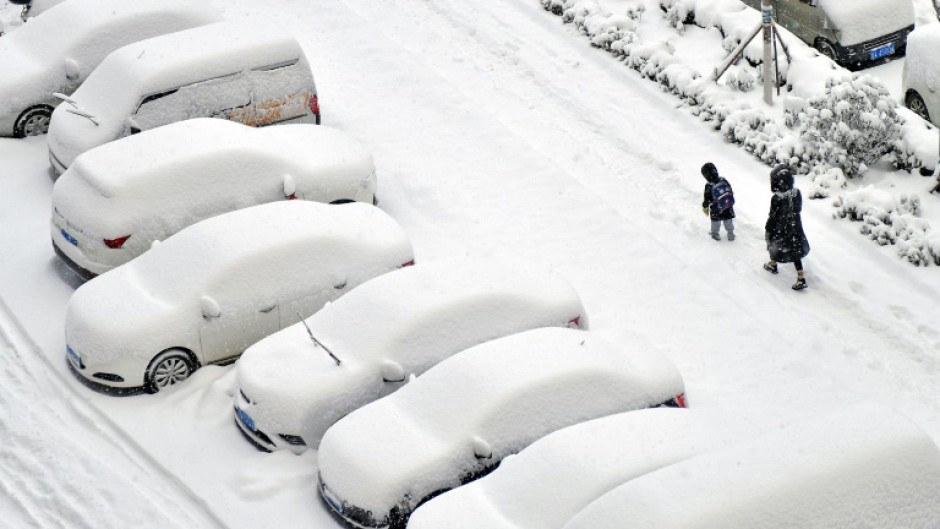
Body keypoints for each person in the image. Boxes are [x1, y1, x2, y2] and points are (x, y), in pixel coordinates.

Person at [763, 164, 810, 291]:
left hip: (780, 227)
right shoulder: (796, 192)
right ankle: (801, 278)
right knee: (795, 249)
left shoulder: (777, 198)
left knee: (773, 244)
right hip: (795, 226)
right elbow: (798, 209)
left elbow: (773, 216)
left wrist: (768, 229)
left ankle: (773, 265)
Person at [700, 162, 735, 241]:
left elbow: (707, 199)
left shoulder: (709, 185)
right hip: (728, 205)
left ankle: (715, 234)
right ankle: (731, 234)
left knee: (715, 222)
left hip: (716, 208)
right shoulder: (723, 179)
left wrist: (705, 208)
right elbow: (730, 190)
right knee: (728, 220)